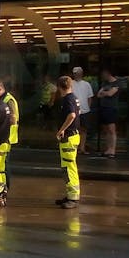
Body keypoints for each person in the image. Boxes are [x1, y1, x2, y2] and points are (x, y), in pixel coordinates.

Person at [55, 75, 82, 209]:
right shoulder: (74, 98)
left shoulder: (67, 99)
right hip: (74, 135)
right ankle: (71, 194)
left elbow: (72, 115)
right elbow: (78, 113)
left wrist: (61, 130)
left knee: (68, 167)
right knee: (69, 166)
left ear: (60, 87)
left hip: (69, 137)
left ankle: (73, 197)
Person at [95, 69, 122, 158]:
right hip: (103, 107)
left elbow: (111, 94)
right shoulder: (105, 83)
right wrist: (105, 93)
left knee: (111, 129)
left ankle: (113, 150)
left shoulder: (116, 83)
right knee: (106, 129)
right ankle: (108, 149)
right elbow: (99, 94)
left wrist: (105, 93)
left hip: (111, 108)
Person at [70, 66, 94, 154]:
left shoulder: (86, 84)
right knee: (74, 129)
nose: (77, 75)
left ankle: (82, 148)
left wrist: (88, 107)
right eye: (75, 73)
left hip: (84, 110)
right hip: (74, 110)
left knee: (83, 129)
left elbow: (90, 97)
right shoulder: (71, 83)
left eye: (78, 73)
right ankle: (75, 147)